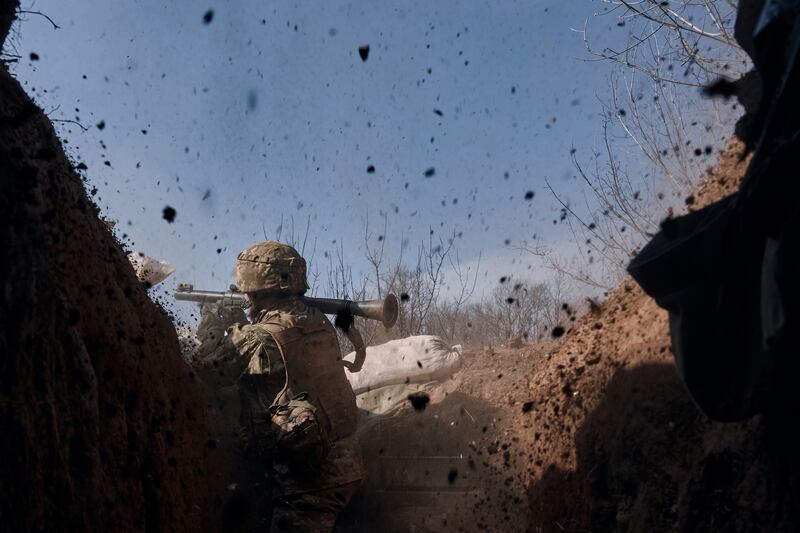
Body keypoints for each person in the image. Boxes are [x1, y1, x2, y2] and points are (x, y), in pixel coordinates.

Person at [195, 241, 364, 532]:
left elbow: (207, 371)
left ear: (255, 288)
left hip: (307, 484)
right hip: (346, 462)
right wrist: (240, 323)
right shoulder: (316, 320)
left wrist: (211, 326)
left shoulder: (258, 337)